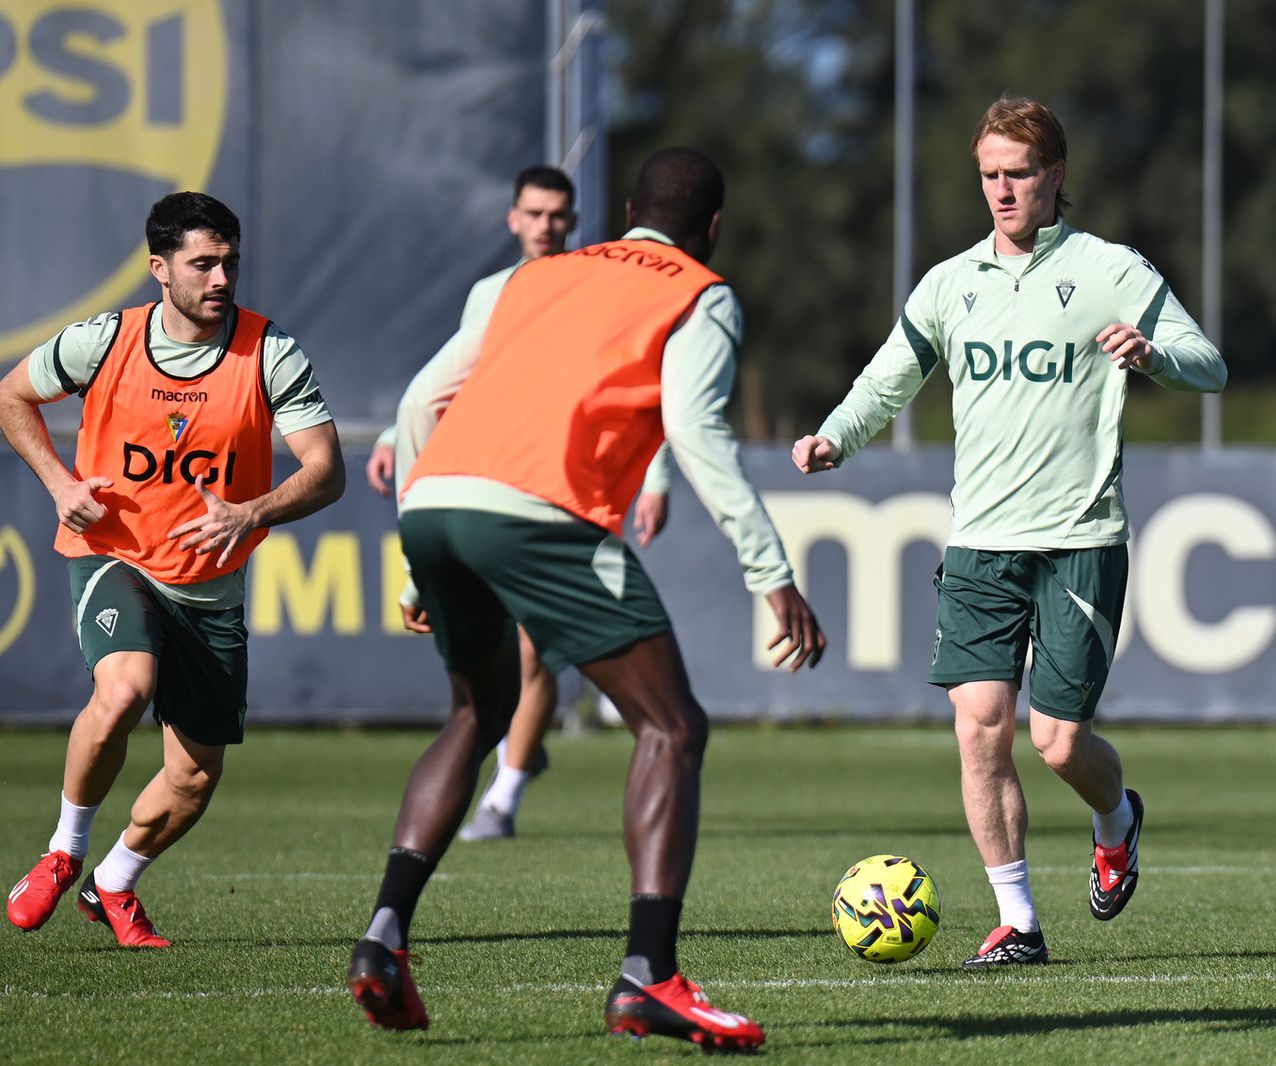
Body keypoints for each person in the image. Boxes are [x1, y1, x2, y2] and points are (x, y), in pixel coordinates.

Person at [346, 147, 824, 1052]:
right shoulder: (698, 291)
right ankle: (651, 978)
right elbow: (694, 429)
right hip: (539, 514)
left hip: (440, 499)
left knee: (475, 712)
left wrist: (418, 562)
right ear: (712, 227)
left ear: (623, 212)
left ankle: (384, 939)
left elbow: (418, 405)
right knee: (672, 727)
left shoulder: (530, 279)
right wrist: (770, 572)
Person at [794, 96, 1226, 969]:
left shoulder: (1112, 269)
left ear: (1056, 176)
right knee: (978, 726)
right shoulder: (952, 283)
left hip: (1080, 539)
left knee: (1057, 740)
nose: (1002, 189)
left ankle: (1118, 818)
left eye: (1019, 173)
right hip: (980, 543)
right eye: (989, 173)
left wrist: (1152, 355)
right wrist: (836, 433)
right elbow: (889, 377)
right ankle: (1018, 920)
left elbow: (1210, 367)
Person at [0, 192, 344, 948]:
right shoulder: (106, 340)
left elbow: (326, 470)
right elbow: (13, 395)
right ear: (160, 269)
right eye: (203, 263)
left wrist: (250, 512)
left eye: (230, 262)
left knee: (193, 781)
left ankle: (114, 884)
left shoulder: (269, 350)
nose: (221, 278)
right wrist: (61, 485)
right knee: (126, 687)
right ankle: (64, 850)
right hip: (112, 557)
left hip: (210, 590)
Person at [364, 165, 672, 842]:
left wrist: (657, 474)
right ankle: (517, 760)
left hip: (564, 485)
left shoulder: (597, 285)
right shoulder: (494, 292)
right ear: (513, 220)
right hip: (492, 481)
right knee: (501, 662)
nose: (546, 226)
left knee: (534, 651)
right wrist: (395, 434)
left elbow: (637, 383)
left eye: (557, 215)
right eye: (534, 214)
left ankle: (501, 798)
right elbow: (464, 378)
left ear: (574, 221)